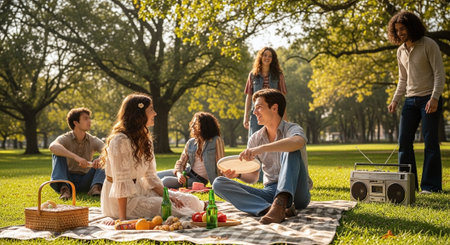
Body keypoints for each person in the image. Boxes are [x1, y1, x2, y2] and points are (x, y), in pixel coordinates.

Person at [213, 89, 312, 224]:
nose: (254, 112)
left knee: (291, 148)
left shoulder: (292, 129)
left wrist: (259, 149)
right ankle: (270, 209)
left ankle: (281, 202)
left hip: (298, 191)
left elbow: (298, 142)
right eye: (254, 108)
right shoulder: (255, 139)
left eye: (259, 107)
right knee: (218, 183)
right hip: (271, 191)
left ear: (274, 108)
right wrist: (238, 175)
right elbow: (254, 177)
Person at [100, 93, 204, 221]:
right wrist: (122, 219)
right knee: (170, 208)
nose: (155, 113)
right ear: (139, 115)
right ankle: (196, 212)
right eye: (150, 110)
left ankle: (200, 207)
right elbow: (122, 182)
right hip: (121, 201)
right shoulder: (120, 141)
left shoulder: (145, 139)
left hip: (141, 189)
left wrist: (168, 196)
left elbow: (150, 177)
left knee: (189, 200)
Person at [387, 11, 445, 194]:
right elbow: (402, 79)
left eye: (402, 29)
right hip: (410, 101)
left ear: (412, 26)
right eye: (396, 30)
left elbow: (439, 73)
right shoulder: (400, 51)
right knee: (404, 142)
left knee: (430, 143)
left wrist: (435, 97)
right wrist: (395, 100)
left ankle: (431, 186)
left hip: (429, 98)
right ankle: (407, 184)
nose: (400, 33)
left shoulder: (429, 44)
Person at [243, 47, 287, 182]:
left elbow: (282, 96)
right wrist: (246, 117)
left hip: (274, 113)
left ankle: (276, 175)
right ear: (260, 57)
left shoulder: (278, 75)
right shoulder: (253, 75)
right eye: (265, 55)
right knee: (254, 144)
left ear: (273, 59)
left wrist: (284, 118)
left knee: (274, 142)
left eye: (270, 56)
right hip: (256, 115)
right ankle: (254, 176)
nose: (267, 58)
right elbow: (249, 97)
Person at [49, 108, 105, 200]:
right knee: (57, 153)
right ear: (76, 123)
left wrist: (101, 159)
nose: (89, 121)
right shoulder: (65, 138)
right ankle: (64, 189)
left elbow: (109, 150)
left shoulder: (93, 139)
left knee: (106, 158)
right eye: (85, 118)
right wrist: (76, 158)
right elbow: (53, 146)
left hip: (86, 181)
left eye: (89, 118)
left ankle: (96, 188)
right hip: (67, 180)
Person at [157, 112, 225, 188]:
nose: (192, 126)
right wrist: (179, 174)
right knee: (155, 176)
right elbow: (180, 163)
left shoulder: (216, 140)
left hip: (197, 180)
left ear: (204, 126)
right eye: (193, 123)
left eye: (195, 123)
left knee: (165, 181)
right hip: (186, 172)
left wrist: (220, 185)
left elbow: (221, 164)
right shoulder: (191, 142)